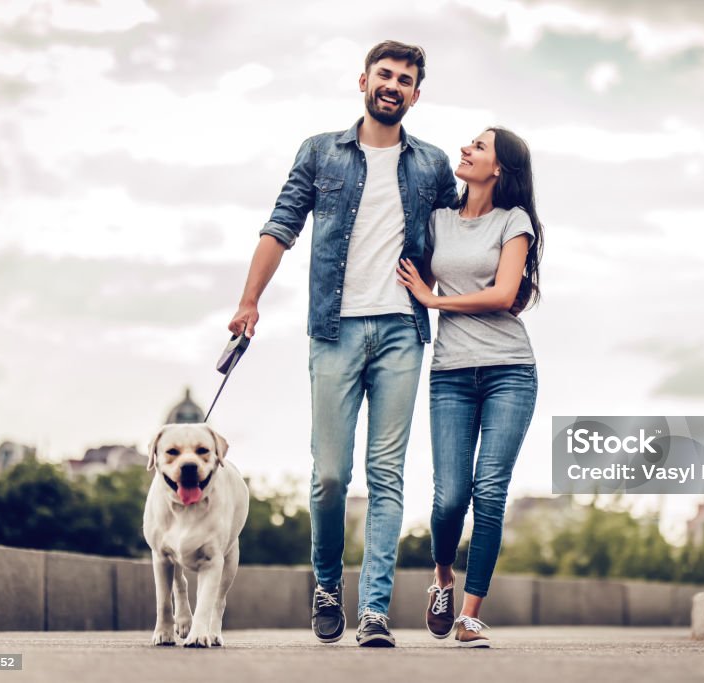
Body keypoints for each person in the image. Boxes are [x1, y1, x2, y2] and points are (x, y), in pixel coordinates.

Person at [228, 40, 457, 648]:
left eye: (405, 79)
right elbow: (280, 226)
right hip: (333, 330)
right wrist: (249, 300)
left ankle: (375, 610)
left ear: (415, 93)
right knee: (330, 474)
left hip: (403, 333)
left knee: (387, 475)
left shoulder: (433, 164)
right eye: (385, 74)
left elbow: (458, 239)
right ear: (363, 81)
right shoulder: (319, 152)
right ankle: (327, 584)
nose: (394, 85)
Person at [395, 126, 544, 648]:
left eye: (479, 147)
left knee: (490, 493)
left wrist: (434, 303)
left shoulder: (514, 221)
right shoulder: (438, 221)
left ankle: (472, 615)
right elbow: (412, 274)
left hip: (510, 370)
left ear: (498, 168)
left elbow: (505, 294)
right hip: (451, 374)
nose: (466, 149)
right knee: (450, 496)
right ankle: (441, 581)